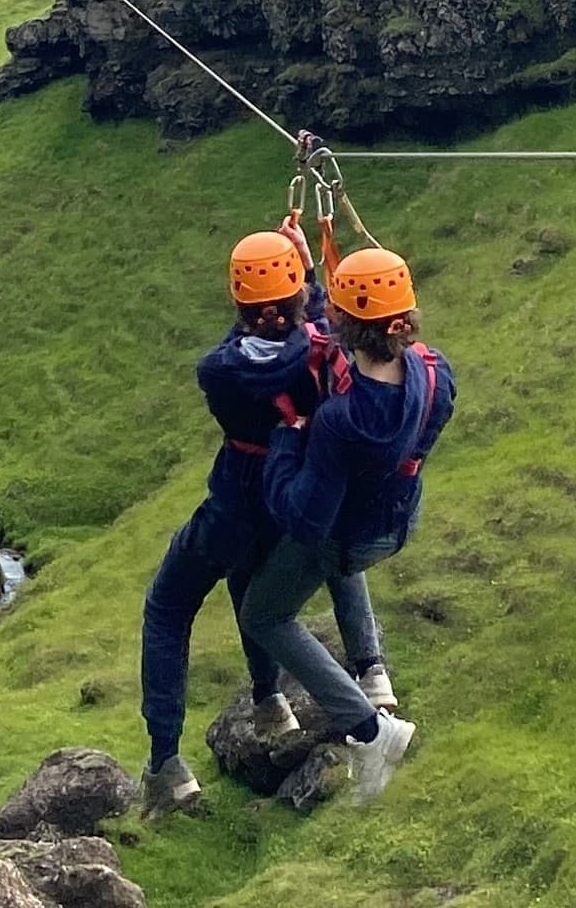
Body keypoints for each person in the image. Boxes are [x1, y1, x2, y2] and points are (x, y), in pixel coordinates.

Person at [138, 224, 395, 814]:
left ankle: (167, 763)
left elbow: (248, 343)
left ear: (238, 302)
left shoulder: (217, 371)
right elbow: (319, 320)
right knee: (252, 583)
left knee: (168, 605)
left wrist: (284, 287)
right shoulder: (325, 344)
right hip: (293, 500)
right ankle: (284, 694)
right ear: (300, 299)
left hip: (236, 502)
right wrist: (304, 274)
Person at [240, 244, 455, 806]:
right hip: (399, 518)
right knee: (343, 534)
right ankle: (372, 668)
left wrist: (289, 437)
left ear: (342, 324)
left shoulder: (340, 420)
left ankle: (370, 729)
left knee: (264, 613)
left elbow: (305, 519)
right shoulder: (434, 371)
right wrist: (306, 272)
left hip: (350, 535)